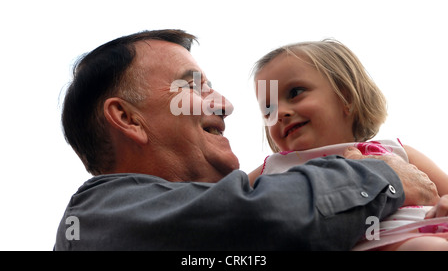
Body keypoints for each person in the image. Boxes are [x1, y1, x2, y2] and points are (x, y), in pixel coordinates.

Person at [54, 30, 438, 251]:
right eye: (193, 88)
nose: (226, 106)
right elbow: (257, 217)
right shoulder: (96, 221)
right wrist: (378, 177)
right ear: (127, 119)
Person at [249, 39, 448, 250]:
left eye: (295, 93)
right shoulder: (272, 168)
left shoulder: (396, 151)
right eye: (268, 109)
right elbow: (218, 202)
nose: (279, 113)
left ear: (346, 96)